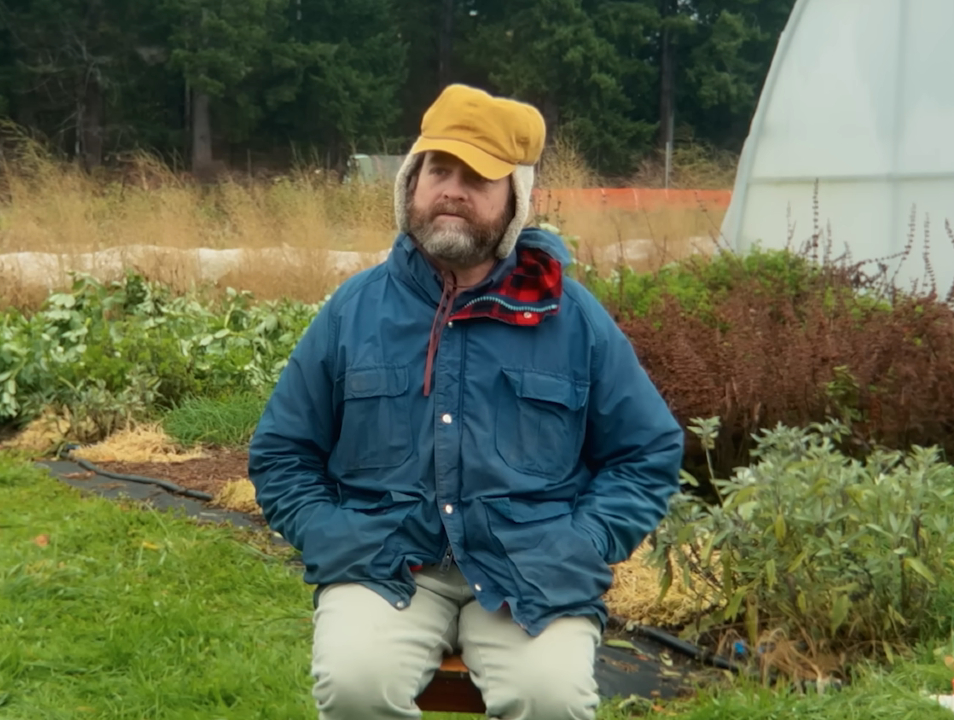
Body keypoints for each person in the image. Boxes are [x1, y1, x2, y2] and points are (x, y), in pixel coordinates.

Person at [248, 84, 684, 720]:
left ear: (515, 200)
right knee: (356, 685)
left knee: (552, 699)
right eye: (438, 169)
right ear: (411, 184)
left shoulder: (572, 317)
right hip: (384, 563)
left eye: (478, 176)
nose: (452, 189)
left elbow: (647, 451)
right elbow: (282, 449)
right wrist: (328, 533)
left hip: (531, 568)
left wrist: (585, 542)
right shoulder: (354, 310)